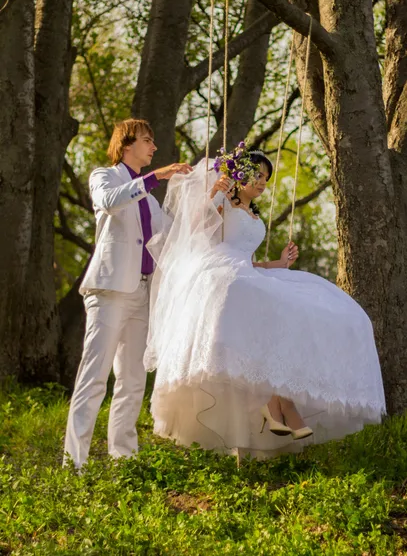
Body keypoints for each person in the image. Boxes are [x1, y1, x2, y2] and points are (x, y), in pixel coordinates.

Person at [144, 151, 386, 459]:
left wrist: (280, 263)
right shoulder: (224, 204)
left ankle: (280, 401)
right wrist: (214, 192)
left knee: (311, 306)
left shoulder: (254, 214)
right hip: (221, 273)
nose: (262, 182)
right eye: (257, 175)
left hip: (245, 272)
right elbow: (194, 228)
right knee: (250, 298)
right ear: (240, 175)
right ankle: (280, 403)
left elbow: (248, 261)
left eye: (266, 178)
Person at [64, 118, 191, 469]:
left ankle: (124, 458)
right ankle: (74, 462)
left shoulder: (150, 202)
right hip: (109, 291)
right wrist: (157, 176)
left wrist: (208, 201)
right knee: (94, 376)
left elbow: (171, 238)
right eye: (147, 141)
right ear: (126, 144)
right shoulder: (104, 176)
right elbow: (109, 201)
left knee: (133, 380)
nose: (153, 148)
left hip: (143, 294)